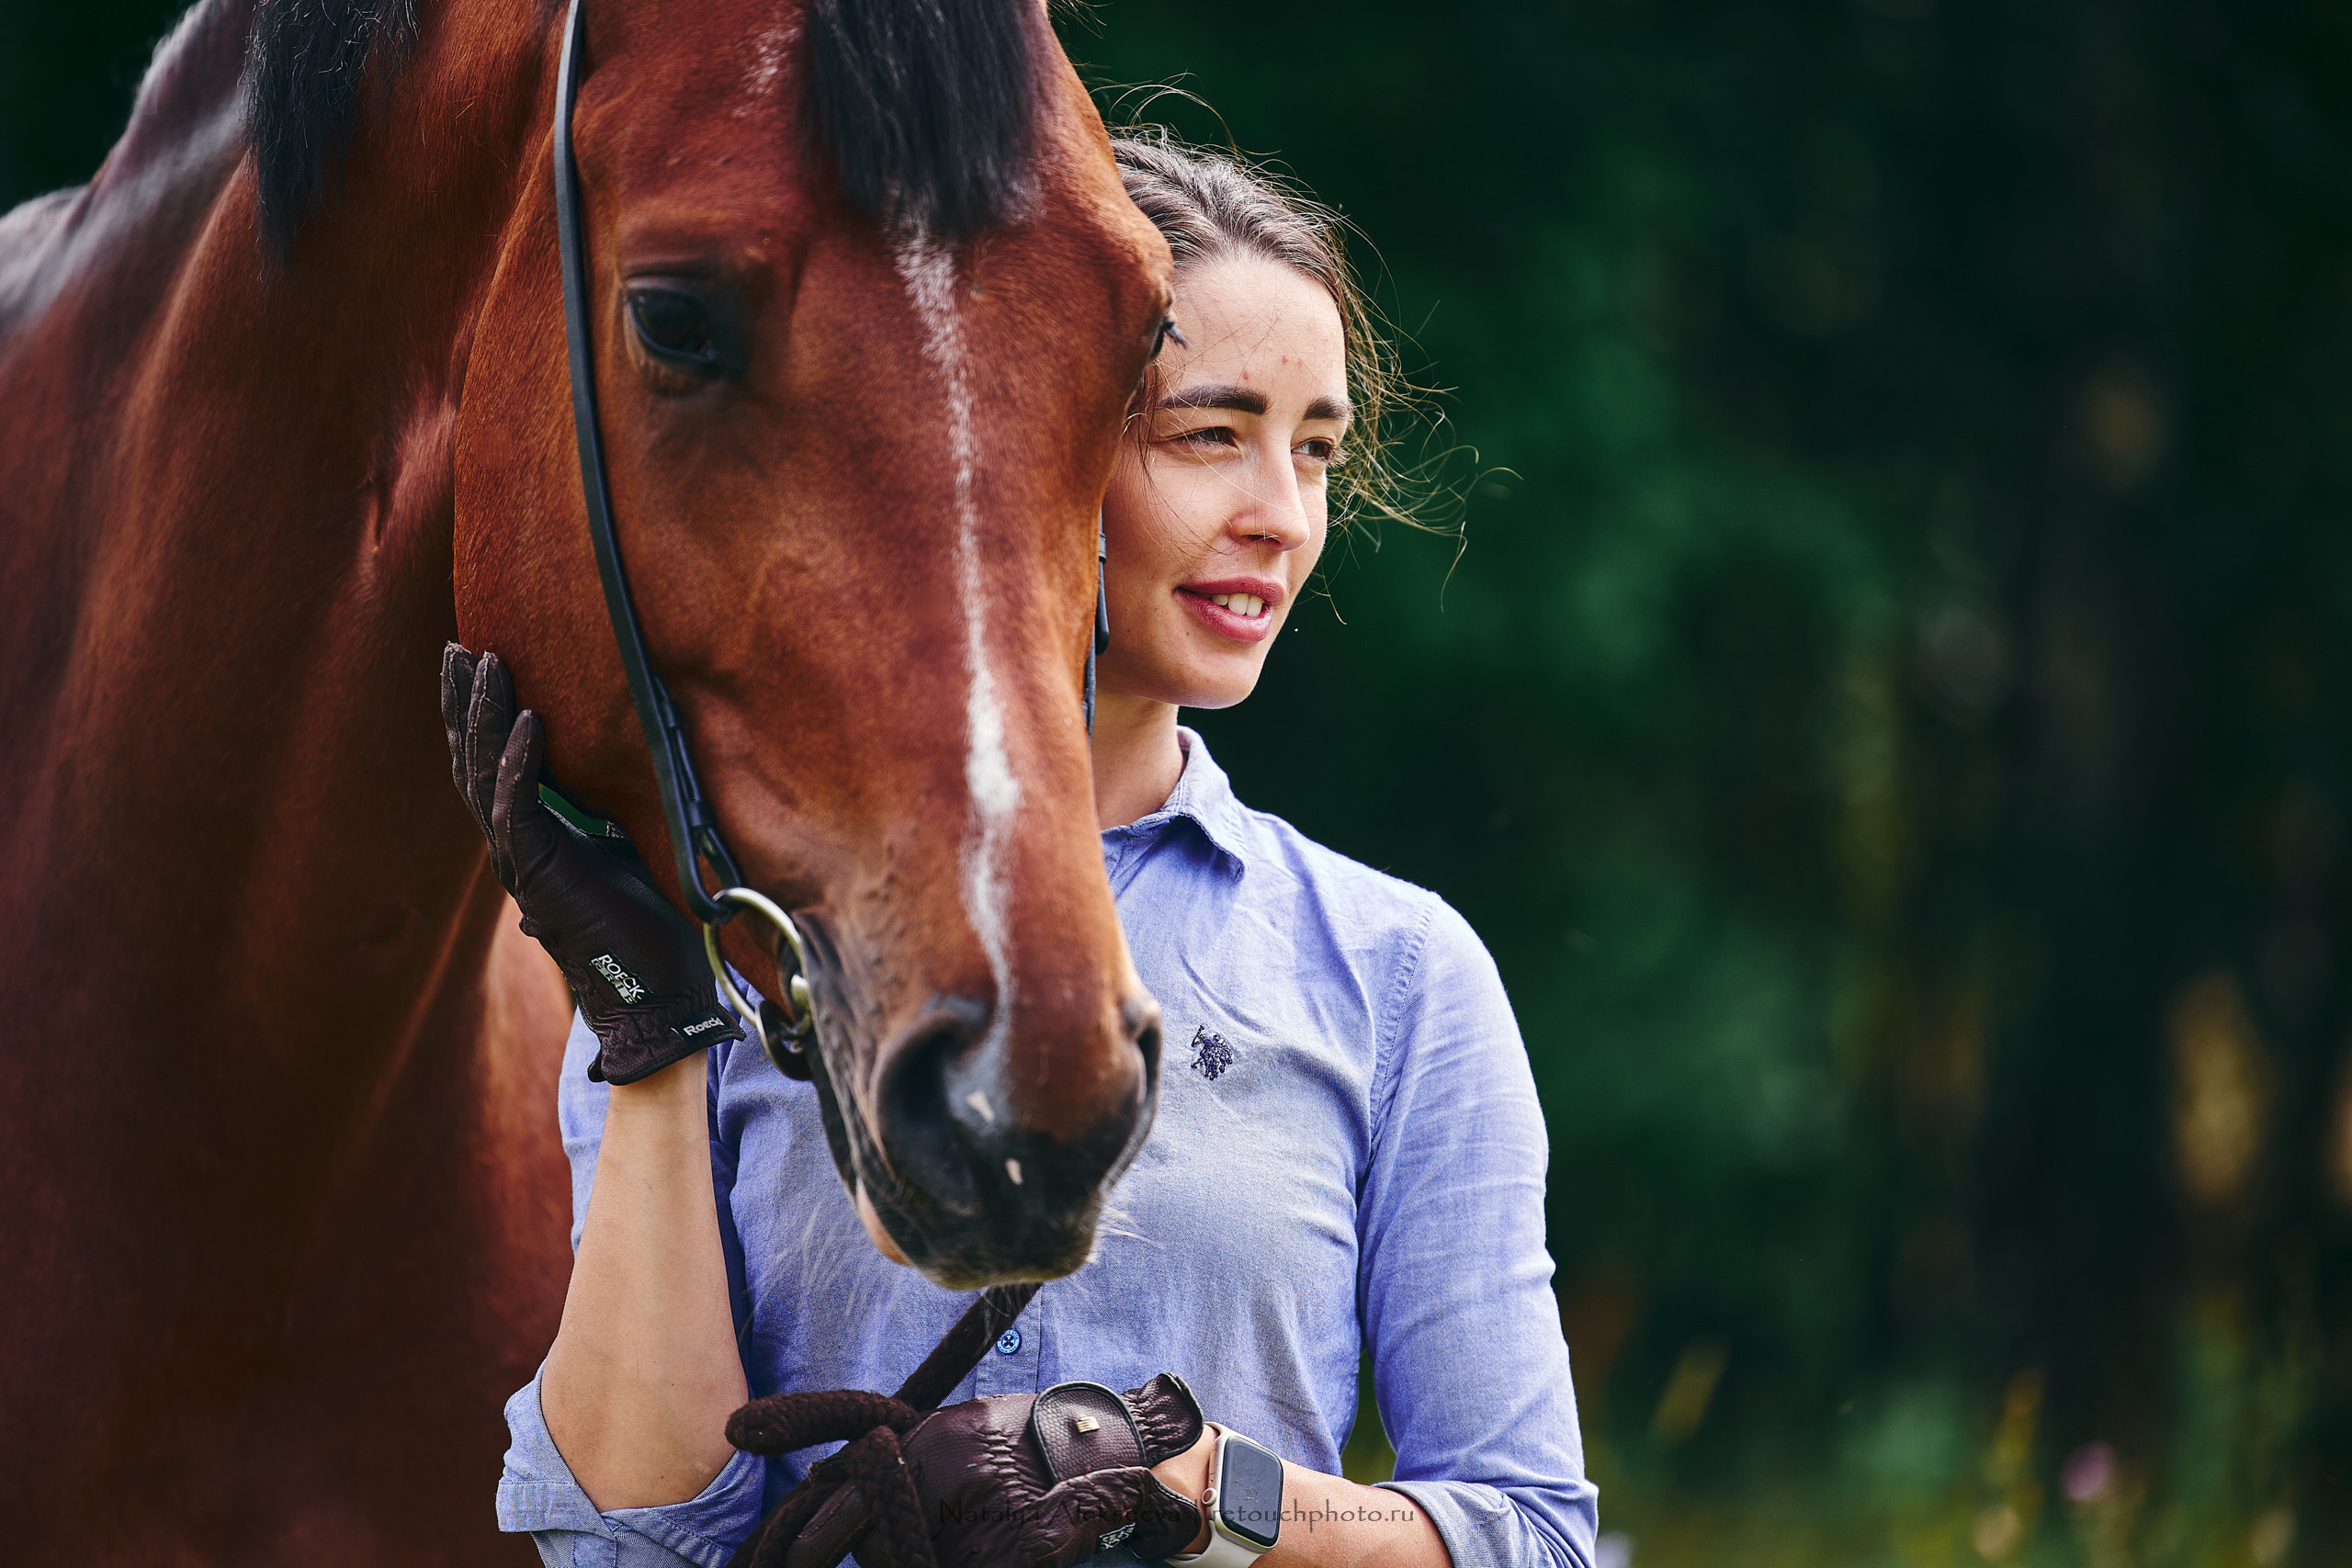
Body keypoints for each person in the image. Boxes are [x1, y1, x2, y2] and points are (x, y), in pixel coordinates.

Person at [476, 132, 1596, 1568]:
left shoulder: (1397, 972)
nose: (1284, 514)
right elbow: (626, 1553)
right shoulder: (741, 950)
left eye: (1314, 447)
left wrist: (1172, 1478)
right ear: (1026, 439)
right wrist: (650, 1039)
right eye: (1212, 433)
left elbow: (1530, 1534)